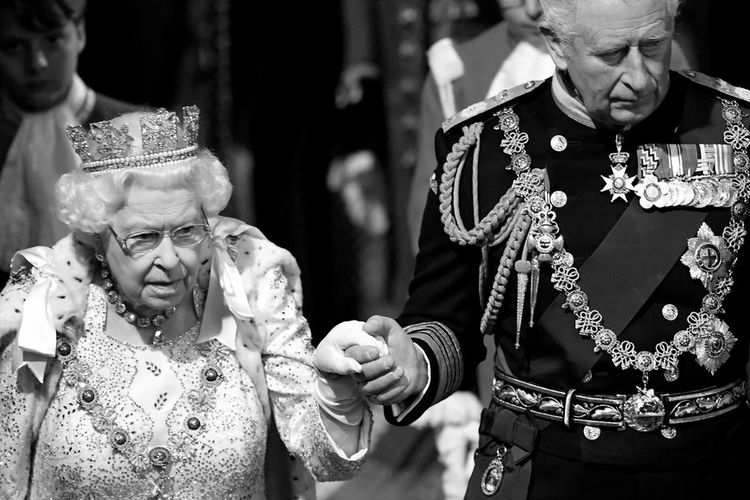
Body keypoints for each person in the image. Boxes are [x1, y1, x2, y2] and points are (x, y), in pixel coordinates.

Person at [348, 0, 750, 498]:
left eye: (653, 46)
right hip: (546, 467)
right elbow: (446, 317)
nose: (640, 77)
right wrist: (416, 363)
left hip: (711, 465)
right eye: (611, 54)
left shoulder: (735, 129)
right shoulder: (484, 146)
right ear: (556, 45)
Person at [0, 106, 379, 499]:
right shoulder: (45, 307)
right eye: (143, 238)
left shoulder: (250, 284)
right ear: (97, 237)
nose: (170, 259)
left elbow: (328, 463)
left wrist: (336, 388)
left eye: (186, 232)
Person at [0, 0, 138, 288]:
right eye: (13, 46)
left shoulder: (135, 129)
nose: (37, 62)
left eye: (52, 40)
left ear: (80, 32)